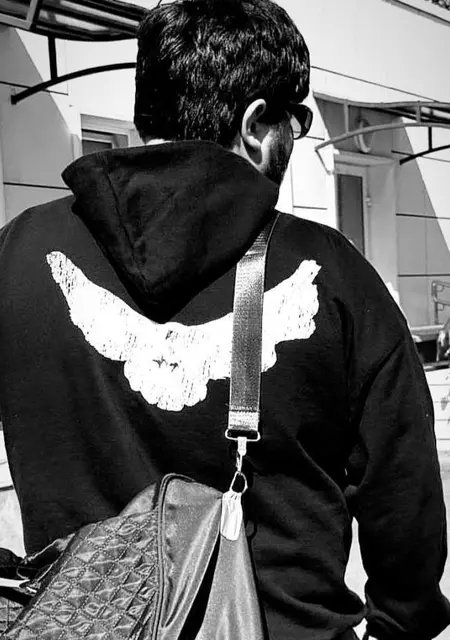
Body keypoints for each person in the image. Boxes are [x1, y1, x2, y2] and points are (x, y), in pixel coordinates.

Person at [0, 0, 448, 638]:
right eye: (297, 120)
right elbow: (404, 503)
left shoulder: (17, 254)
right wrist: (401, 623)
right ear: (256, 124)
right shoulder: (332, 274)